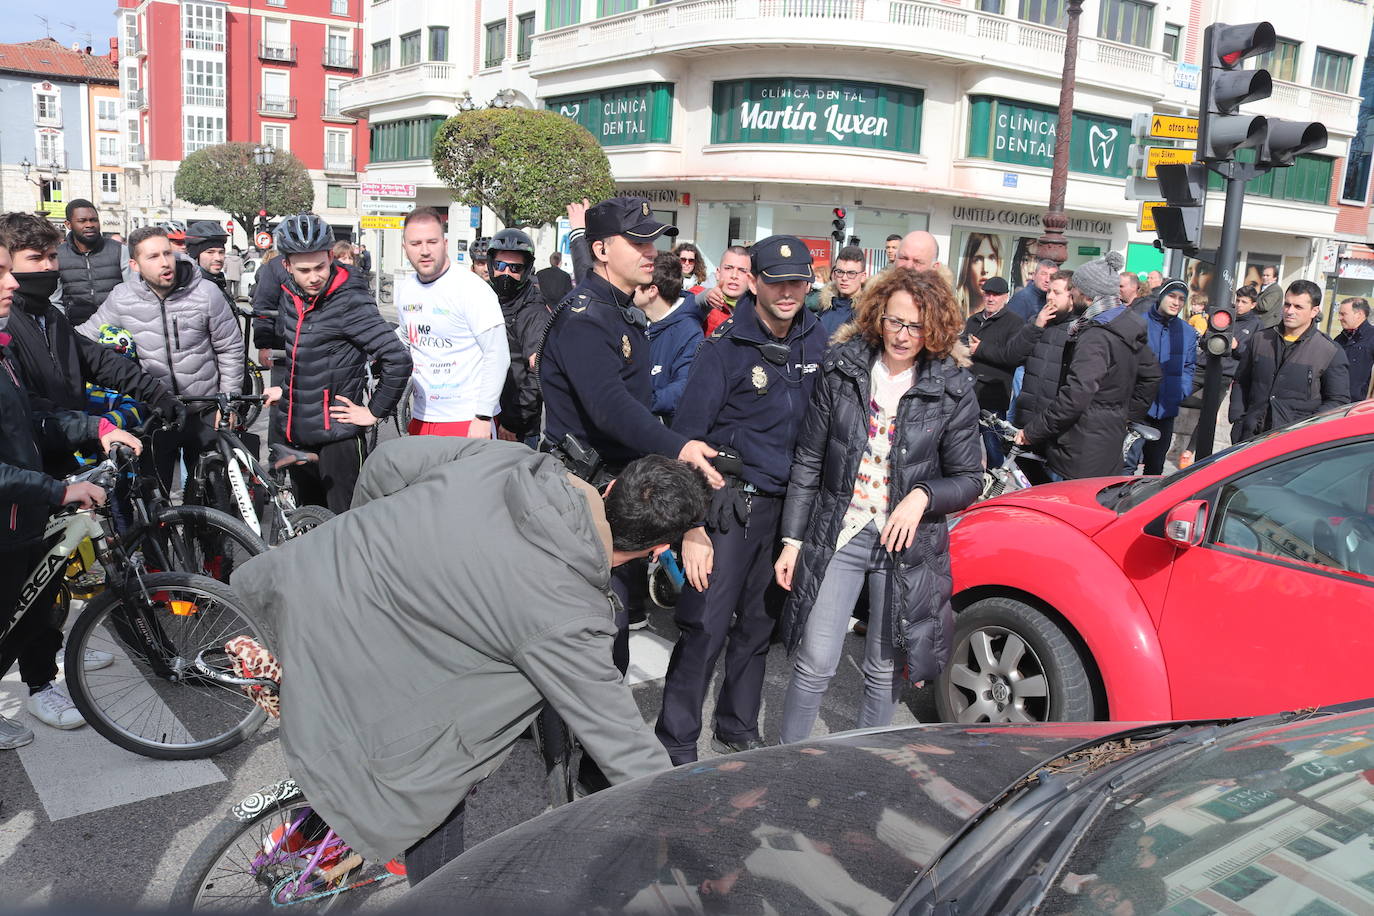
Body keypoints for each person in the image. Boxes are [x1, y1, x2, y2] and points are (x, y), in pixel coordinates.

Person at [228, 438, 711, 883]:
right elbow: (622, 742)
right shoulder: (570, 613)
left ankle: (311, 831)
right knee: (437, 769)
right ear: (657, 550)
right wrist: (693, 829)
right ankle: (433, 890)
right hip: (367, 663)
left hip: (309, 589)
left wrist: (372, 544)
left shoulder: (516, 461)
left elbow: (386, 462)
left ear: (611, 485)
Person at [775, 267, 981, 743]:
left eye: (917, 326)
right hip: (840, 531)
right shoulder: (844, 366)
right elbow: (809, 457)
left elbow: (969, 478)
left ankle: (864, 768)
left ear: (935, 328)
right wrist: (792, 541)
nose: (904, 335)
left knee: (884, 669)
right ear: (876, 316)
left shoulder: (952, 387)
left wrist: (923, 495)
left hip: (906, 543)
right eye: (895, 322)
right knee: (815, 662)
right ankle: (787, 763)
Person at [656, 235, 827, 765]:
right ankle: (676, 738)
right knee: (704, 625)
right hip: (728, 506)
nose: (786, 292)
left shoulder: (819, 343)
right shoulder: (722, 350)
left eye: (796, 281)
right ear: (753, 283)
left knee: (758, 626)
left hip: (789, 512)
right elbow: (685, 442)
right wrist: (691, 529)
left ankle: (737, 724)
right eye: (775, 281)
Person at [539, 195, 723, 668]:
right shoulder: (586, 318)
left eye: (653, 241)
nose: (651, 252)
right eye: (637, 241)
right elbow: (609, 408)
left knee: (610, 630)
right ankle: (573, 743)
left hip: (612, 487)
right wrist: (679, 446)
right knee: (593, 637)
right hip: (580, 493)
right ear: (602, 251)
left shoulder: (616, 307)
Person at [0, 239, 143, 748]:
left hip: (25, 506)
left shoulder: (10, 343)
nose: (14, 283)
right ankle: (36, 684)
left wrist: (97, 427)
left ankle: (43, 669)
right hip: (18, 504)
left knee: (34, 603)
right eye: (4, 271)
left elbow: (33, 415)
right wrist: (58, 489)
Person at [260, 213, 411, 512]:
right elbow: (304, 357)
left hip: (337, 441)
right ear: (286, 265)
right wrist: (286, 391)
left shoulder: (349, 300)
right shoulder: (293, 296)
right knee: (309, 525)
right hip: (299, 434)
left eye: (320, 266)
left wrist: (373, 412)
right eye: (304, 270)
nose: (314, 276)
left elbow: (398, 359)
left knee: (344, 528)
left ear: (331, 256)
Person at [79, 225, 243, 489]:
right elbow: (83, 340)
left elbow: (231, 348)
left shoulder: (206, 293)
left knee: (212, 494)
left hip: (205, 408)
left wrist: (229, 402)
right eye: (153, 257)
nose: (165, 262)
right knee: (155, 495)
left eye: (167, 253)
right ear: (134, 264)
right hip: (154, 412)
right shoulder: (122, 298)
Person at [1015, 252, 1162, 480]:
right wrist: (1123, 415)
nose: (1072, 293)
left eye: (1075, 290)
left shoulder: (1096, 335)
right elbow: (1151, 375)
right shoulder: (1123, 323)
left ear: (1086, 295)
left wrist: (1033, 431)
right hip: (1105, 441)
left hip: (1080, 448)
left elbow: (1076, 395)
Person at [394, 209, 506, 440]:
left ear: (445, 243)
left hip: (467, 419)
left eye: (432, 242)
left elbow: (497, 355)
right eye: (416, 243)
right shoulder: (406, 290)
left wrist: (483, 417)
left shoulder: (471, 289)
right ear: (405, 247)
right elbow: (406, 340)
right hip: (422, 416)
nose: (424, 251)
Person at [1233, 280, 1350, 441]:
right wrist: (1239, 419)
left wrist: (1308, 428)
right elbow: (1241, 380)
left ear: (1314, 311)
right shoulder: (1261, 339)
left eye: (1298, 307)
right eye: (1287, 305)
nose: (1289, 311)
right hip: (1250, 436)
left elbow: (1337, 401)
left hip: (1293, 443)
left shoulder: (1329, 351)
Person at [1124, 279, 1196, 476]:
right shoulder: (1138, 322)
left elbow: (1189, 366)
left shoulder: (1187, 332)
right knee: (1126, 465)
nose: (1176, 303)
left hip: (1166, 410)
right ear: (1161, 296)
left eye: (1182, 299)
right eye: (1172, 296)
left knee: (1155, 468)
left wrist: (1181, 391)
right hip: (1137, 409)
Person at [486, 227, 551, 441]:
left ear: (525, 270)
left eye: (514, 267)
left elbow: (536, 373)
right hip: (485, 417)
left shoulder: (533, 311)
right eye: (501, 265)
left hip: (514, 428)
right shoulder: (485, 297)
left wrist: (512, 423)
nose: (506, 273)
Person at [1011, 269, 1079, 432]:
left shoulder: (1079, 329)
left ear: (1072, 297)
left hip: (1053, 423)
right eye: (1048, 291)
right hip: (1025, 418)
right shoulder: (1037, 321)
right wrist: (1036, 327)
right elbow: (1014, 356)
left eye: (1057, 292)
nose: (1050, 297)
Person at [963, 276, 1023, 460]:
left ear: (1005, 297)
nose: (990, 298)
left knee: (993, 446)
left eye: (996, 295)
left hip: (994, 395)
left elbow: (1012, 356)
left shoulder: (1015, 323)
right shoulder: (974, 320)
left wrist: (980, 349)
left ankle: (998, 485)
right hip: (969, 392)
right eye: (987, 294)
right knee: (964, 445)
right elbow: (961, 346)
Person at [639, 249, 701, 426]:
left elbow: (683, 388)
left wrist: (639, 402)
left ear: (652, 290)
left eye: (636, 282)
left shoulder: (689, 333)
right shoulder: (635, 320)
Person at [56, 198, 131, 325]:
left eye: (93, 220)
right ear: (68, 224)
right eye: (82, 221)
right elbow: (55, 301)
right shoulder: (57, 255)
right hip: (76, 330)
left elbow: (132, 292)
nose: (89, 225)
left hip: (117, 330)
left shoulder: (120, 250)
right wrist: (66, 330)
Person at [806, 245, 866, 340]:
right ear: (834, 274)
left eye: (851, 273)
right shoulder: (824, 306)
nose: (844, 278)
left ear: (863, 276)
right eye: (840, 272)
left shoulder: (867, 313)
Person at [700, 246, 754, 335]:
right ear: (718, 273)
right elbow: (690, 303)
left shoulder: (758, 310)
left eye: (742, 270)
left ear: (751, 278)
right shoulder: (701, 295)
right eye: (728, 268)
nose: (734, 275)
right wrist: (704, 297)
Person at [1336, 297, 1374, 402]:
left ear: (1359, 315)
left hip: (1356, 406)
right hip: (1334, 401)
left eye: (1343, 314)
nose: (1339, 318)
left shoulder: (1371, 337)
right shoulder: (1340, 338)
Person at [186, 220, 232, 304]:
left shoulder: (217, 281)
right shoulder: (192, 292)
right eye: (210, 252)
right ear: (195, 256)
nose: (218, 258)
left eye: (221, 252)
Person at [956, 233, 1001, 317]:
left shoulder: (1004, 316)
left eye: (991, 258)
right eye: (977, 259)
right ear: (968, 266)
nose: (985, 269)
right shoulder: (953, 311)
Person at [1008, 258, 1056, 322]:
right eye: (1043, 274)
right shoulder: (1021, 299)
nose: (1047, 280)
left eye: (1052, 276)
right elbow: (1012, 328)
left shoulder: (1054, 299)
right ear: (1034, 276)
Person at [1255, 264, 1283, 329]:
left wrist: (1252, 300)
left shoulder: (1275, 289)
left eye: (1267, 276)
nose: (1264, 277)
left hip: (1267, 325)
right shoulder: (1264, 287)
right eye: (1263, 275)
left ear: (1275, 278)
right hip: (1261, 323)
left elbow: (1264, 306)